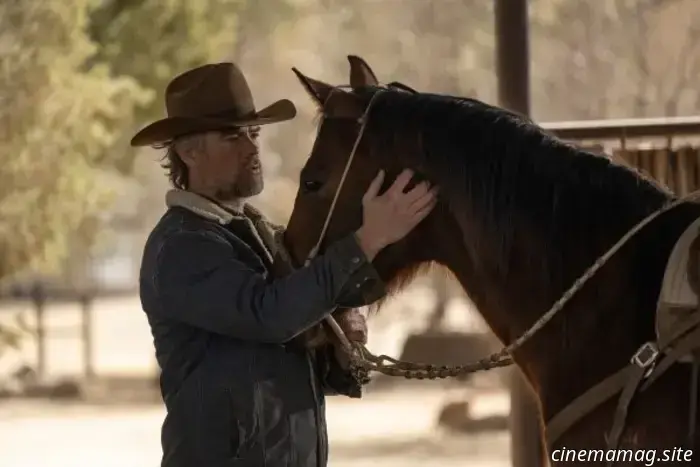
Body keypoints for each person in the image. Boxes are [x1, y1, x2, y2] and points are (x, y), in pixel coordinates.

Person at [132, 62, 438, 467]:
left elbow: (291, 358)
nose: (252, 147)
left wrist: (343, 340)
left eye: (253, 132)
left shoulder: (264, 236)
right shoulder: (181, 247)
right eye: (232, 136)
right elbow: (269, 315)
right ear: (190, 151)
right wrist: (367, 239)